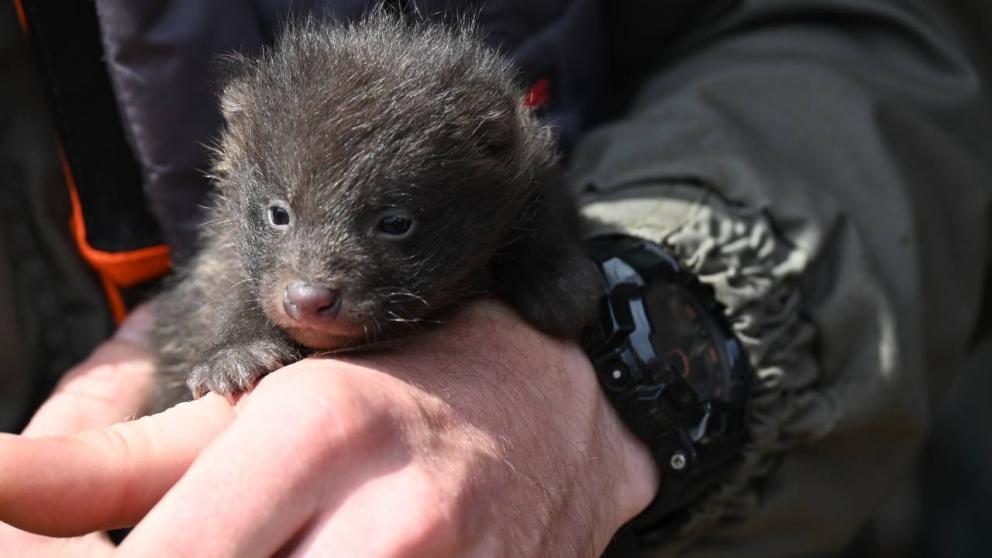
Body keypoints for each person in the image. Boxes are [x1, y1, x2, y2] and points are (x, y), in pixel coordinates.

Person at [1, 1, 990, 557]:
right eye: (280, 222)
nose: (309, 289)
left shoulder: (497, 168)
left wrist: (635, 368)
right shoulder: (266, 170)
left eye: (389, 224)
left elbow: (865, 39)